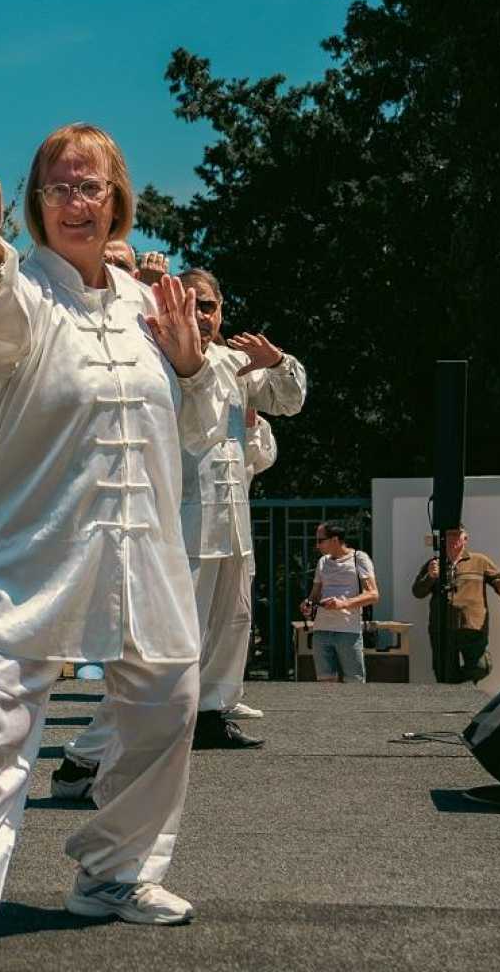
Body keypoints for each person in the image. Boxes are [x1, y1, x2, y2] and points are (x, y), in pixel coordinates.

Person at [0, 123, 225, 964]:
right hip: (36, 548)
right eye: (60, 185)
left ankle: (113, 872)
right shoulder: (23, 287)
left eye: (91, 185)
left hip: (144, 552)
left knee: (168, 705)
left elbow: (200, 430)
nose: (77, 199)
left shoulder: (152, 303)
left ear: (117, 200)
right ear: (35, 203)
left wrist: (188, 367)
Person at [56, 266, 305, 773]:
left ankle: (212, 712)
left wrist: (275, 361)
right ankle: (91, 754)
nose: (204, 316)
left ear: (222, 308)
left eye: (209, 306)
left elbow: (290, 401)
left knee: (232, 621)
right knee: (167, 640)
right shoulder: (156, 360)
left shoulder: (236, 362)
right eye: (192, 305)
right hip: (179, 521)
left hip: (232, 516)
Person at [412, 525, 500, 683]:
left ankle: (456, 685)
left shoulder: (480, 561)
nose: (453, 538)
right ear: (443, 539)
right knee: (443, 673)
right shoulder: (434, 563)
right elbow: (417, 592)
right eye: (449, 535)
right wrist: (430, 576)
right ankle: (454, 698)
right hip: (442, 628)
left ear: (465, 539)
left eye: (457, 535)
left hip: (472, 627)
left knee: (481, 667)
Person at [300, 522, 379, 683]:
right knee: (325, 684)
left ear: (335, 540)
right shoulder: (323, 561)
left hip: (348, 631)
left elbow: (373, 594)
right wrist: (308, 604)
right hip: (321, 630)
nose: (317, 545)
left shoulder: (359, 558)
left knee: (354, 683)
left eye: (321, 540)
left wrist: (343, 604)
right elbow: (314, 595)